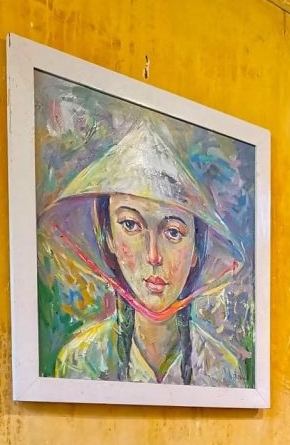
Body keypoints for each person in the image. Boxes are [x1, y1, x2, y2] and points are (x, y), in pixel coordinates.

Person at [39, 119, 249, 386]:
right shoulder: (81, 361)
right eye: (131, 225)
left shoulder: (222, 369)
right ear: (109, 238)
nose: (153, 256)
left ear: (196, 249)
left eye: (172, 232)